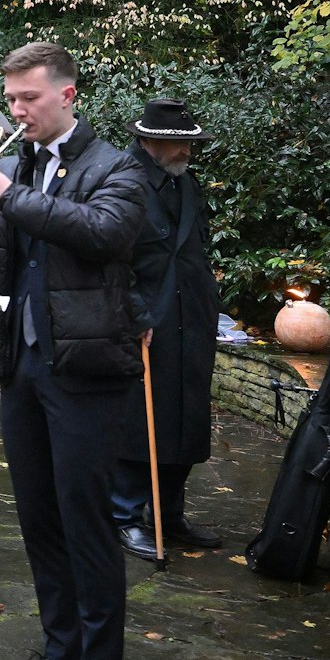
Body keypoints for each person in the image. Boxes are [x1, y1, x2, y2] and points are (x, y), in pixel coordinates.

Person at [0, 41, 149, 660]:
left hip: (85, 369)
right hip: (21, 365)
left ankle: (99, 652)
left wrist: (3, 193)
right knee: (39, 521)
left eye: (29, 98)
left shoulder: (116, 167)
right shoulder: (18, 166)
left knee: (86, 523)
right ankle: (61, 644)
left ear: (66, 95)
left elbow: (103, 233)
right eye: (11, 99)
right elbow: (0, 244)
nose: (18, 110)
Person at [113, 98, 222, 560]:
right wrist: (135, 316)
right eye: (181, 145)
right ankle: (125, 515)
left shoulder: (186, 185)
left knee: (186, 419)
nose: (189, 153)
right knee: (141, 420)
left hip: (191, 318)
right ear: (151, 141)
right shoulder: (124, 182)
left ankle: (169, 514)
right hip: (146, 321)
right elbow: (114, 259)